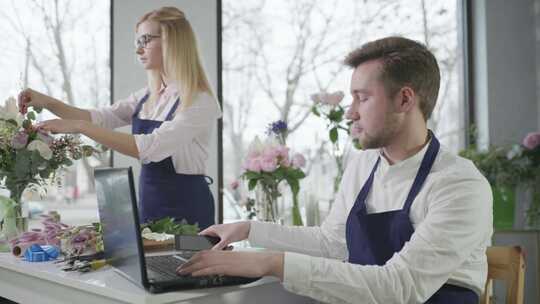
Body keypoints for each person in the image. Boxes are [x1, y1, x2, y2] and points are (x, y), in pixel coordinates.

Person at [175, 37, 492, 304]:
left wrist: (269, 262)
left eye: (362, 98)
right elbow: (332, 243)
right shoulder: (364, 164)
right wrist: (248, 229)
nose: (351, 113)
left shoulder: (459, 184)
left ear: (405, 99)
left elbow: (400, 287)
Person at [17, 7, 220, 229]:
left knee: (184, 264)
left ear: (173, 42)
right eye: (137, 42)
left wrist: (79, 126)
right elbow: (100, 118)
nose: (139, 50)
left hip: (188, 211)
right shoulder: (147, 97)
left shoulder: (200, 100)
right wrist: (48, 102)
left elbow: (150, 147)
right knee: (152, 264)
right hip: (151, 206)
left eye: (146, 39)